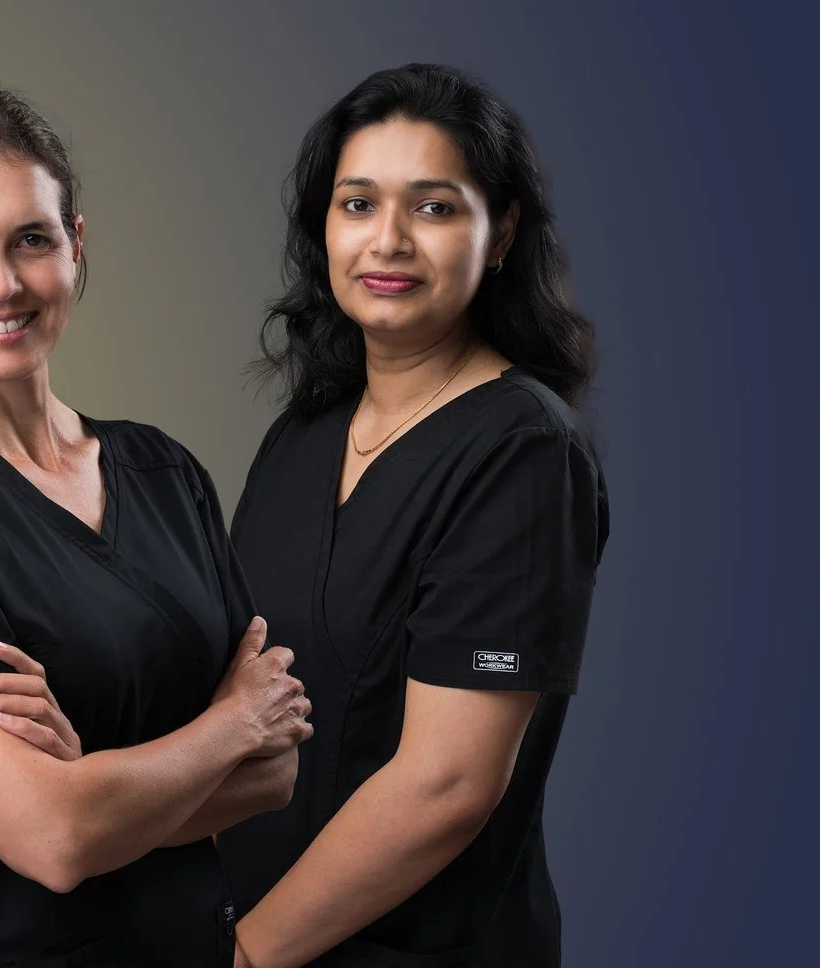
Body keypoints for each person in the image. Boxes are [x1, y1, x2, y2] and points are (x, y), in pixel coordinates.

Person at [0, 86, 309, 968]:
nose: (2, 284)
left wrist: (93, 779)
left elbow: (276, 772)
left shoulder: (166, 473)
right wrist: (224, 727)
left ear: (76, 244)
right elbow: (51, 839)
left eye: (31, 239)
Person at [221, 63, 607, 968]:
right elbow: (239, 688)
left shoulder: (522, 453)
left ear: (501, 232)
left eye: (433, 208)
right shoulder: (306, 433)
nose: (387, 240)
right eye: (358, 204)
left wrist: (244, 956)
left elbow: (450, 785)